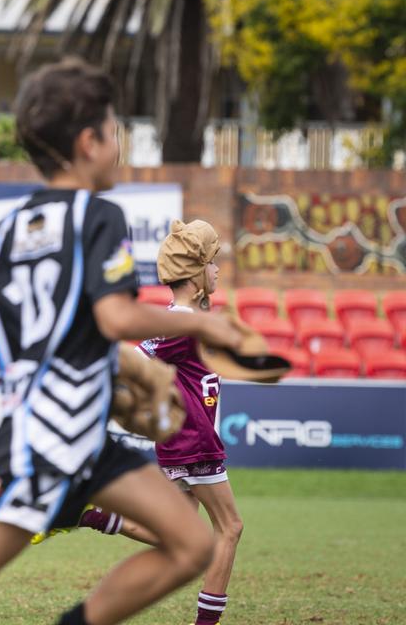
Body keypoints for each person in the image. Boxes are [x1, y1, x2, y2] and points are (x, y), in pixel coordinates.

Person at [0, 57, 242, 625]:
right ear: (89, 143)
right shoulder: (98, 217)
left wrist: (38, 328)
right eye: (114, 130)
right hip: (60, 441)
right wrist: (201, 323)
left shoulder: (12, 227)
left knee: (191, 543)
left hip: (57, 440)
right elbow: (116, 318)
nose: (119, 143)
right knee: (190, 545)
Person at [140, 218, 244, 625]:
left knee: (171, 535)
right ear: (196, 273)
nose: (218, 270)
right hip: (195, 442)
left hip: (177, 444)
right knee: (230, 527)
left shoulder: (179, 319)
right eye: (213, 262)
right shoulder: (184, 322)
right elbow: (139, 355)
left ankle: (92, 514)